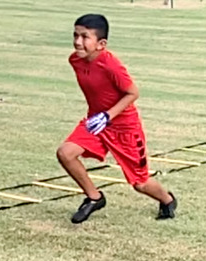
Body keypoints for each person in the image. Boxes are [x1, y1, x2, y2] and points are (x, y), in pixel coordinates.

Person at [57, 14, 177, 224]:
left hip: (124, 128)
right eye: (75, 35)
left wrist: (108, 115)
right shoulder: (75, 60)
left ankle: (167, 200)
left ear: (101, 44)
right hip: (96, 123)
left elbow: (133, 93)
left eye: (85, 37)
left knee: (140, 183)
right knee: (65, 153)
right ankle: (95, 198)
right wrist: (99, 117)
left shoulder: (111, 65)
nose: (77, 41)